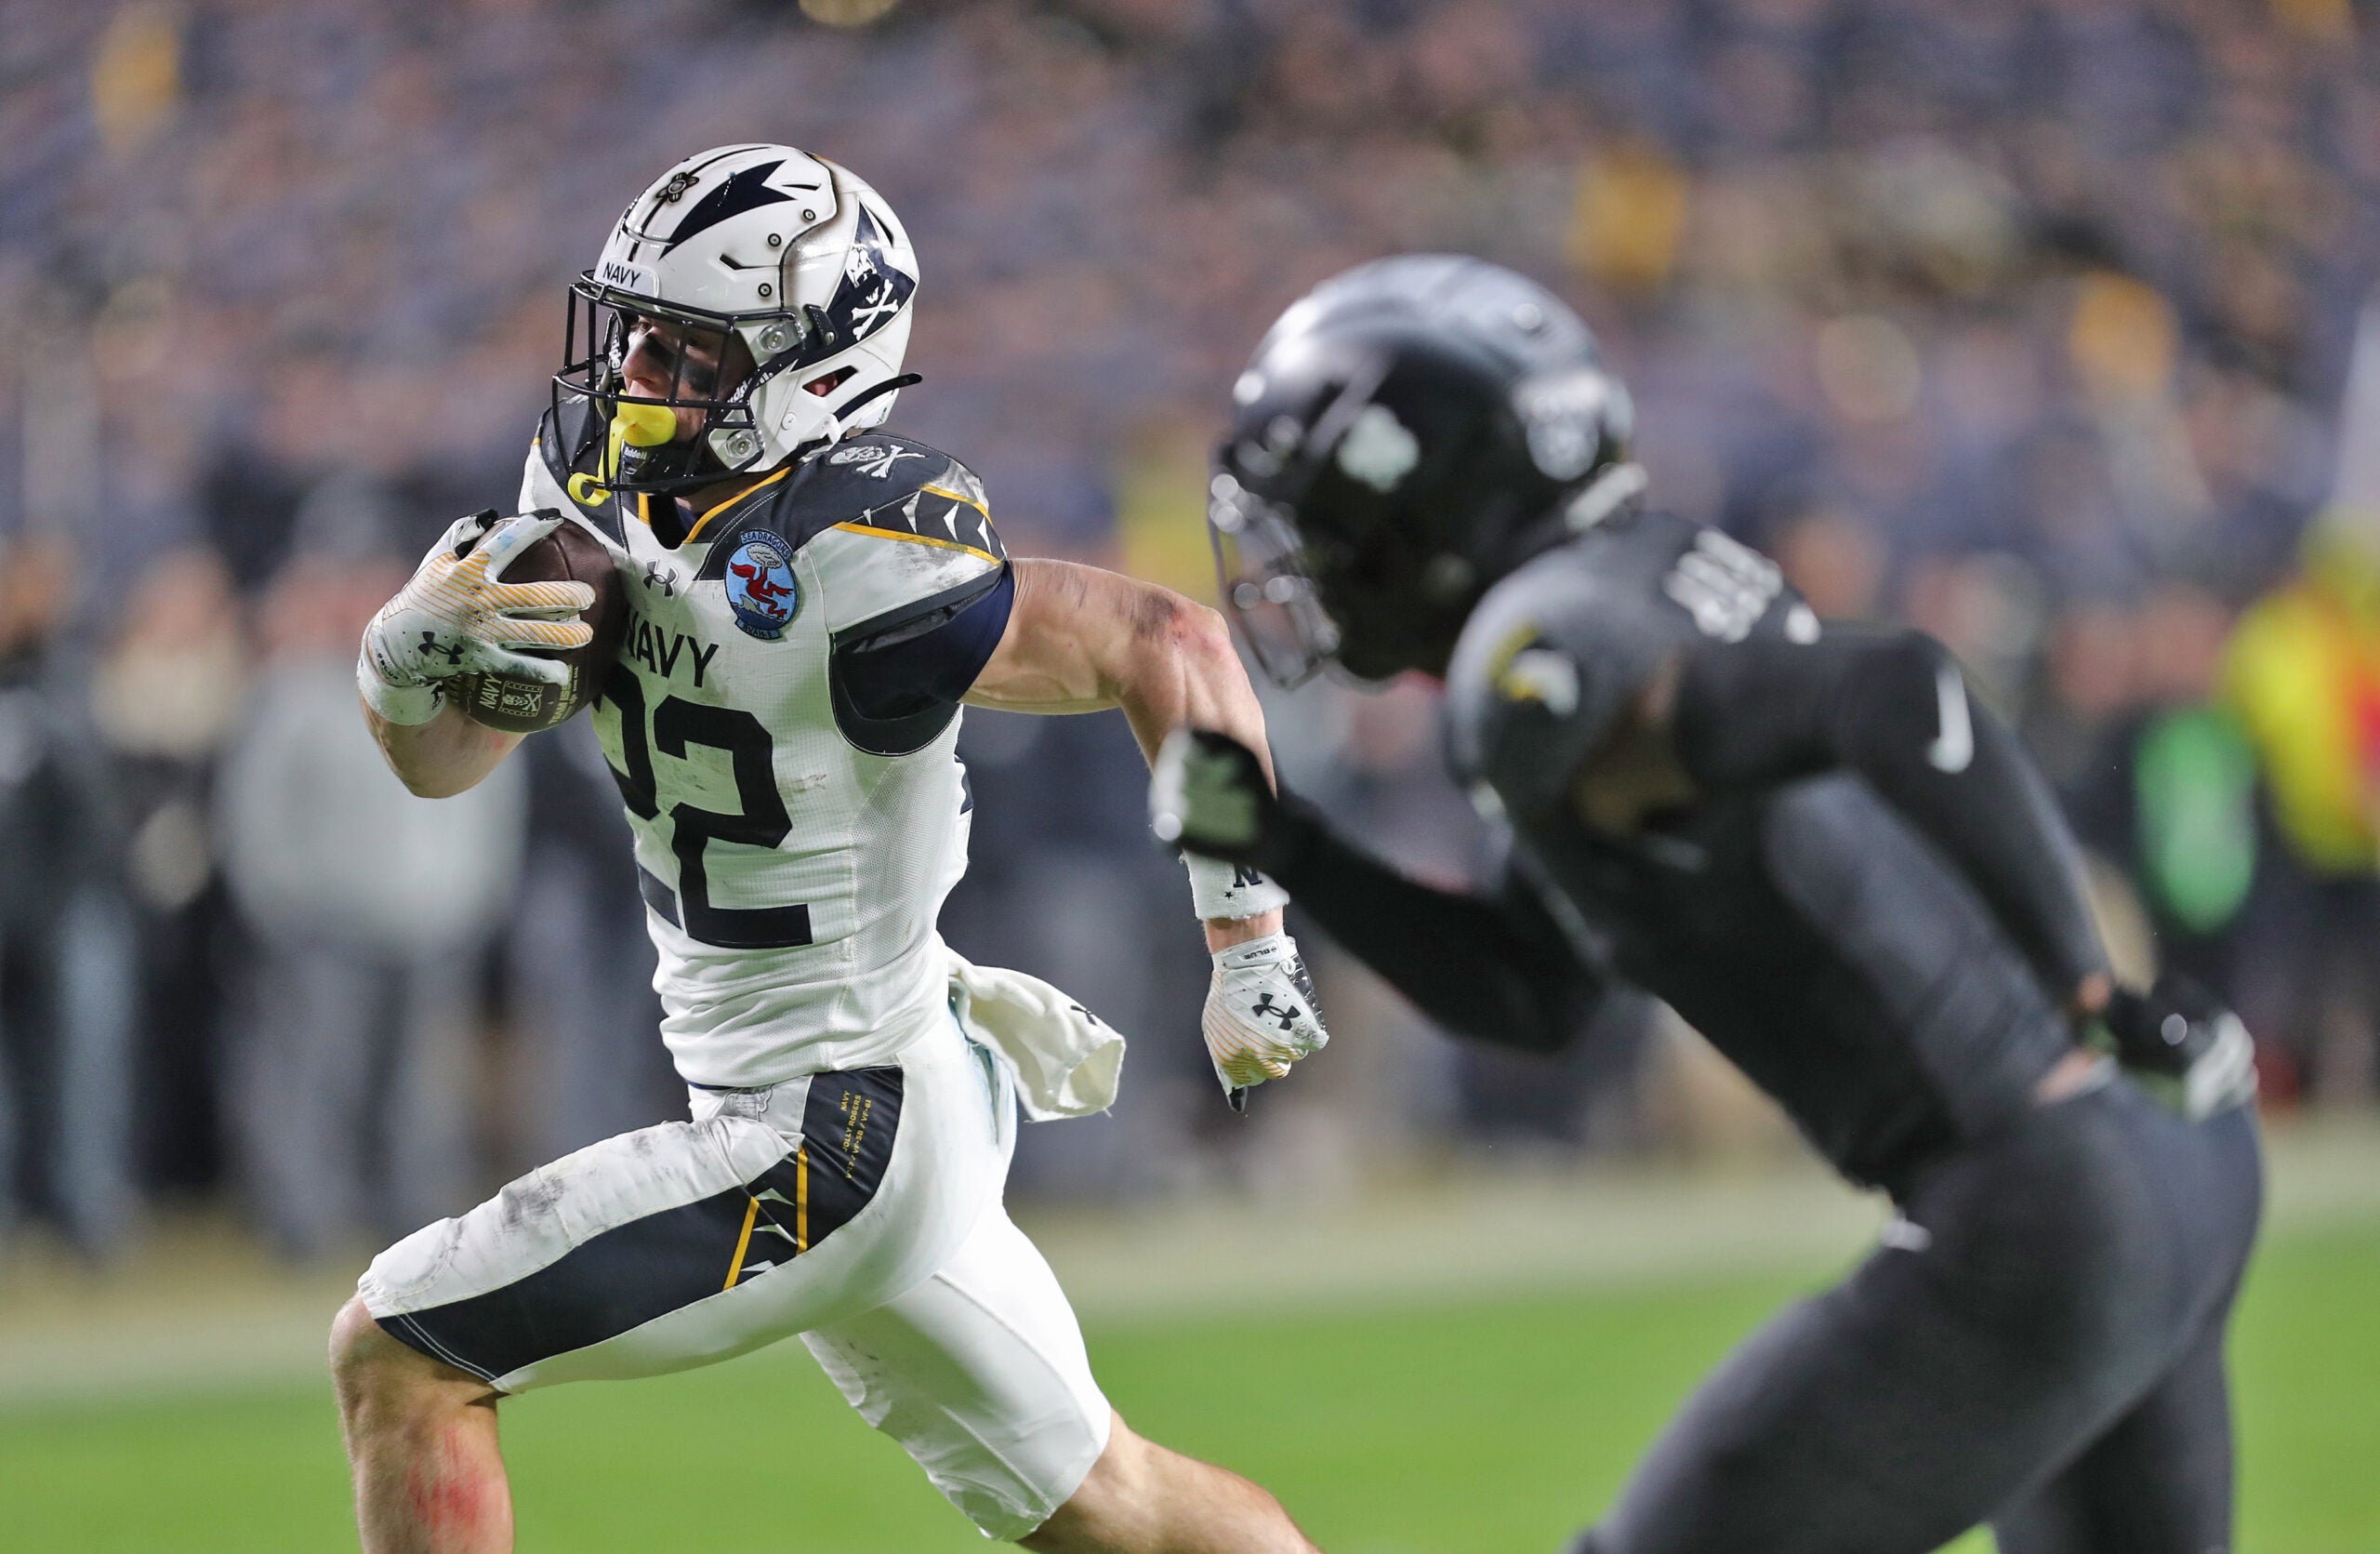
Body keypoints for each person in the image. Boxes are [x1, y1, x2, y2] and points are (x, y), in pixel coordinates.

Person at [1152, 255, 2264, 1554]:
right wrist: (1295, 846)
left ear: (1424, 505)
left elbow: (1904, 691)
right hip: (2171, 1161)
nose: (1304, 561)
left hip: (2043, 1189)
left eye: (1323, 518)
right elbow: (1531, 992)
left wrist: (2088, 982)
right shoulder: (1631, 584)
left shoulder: (1542, 649)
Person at [329, 145, 1329, 1554]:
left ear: (810, 370)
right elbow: (439, 768)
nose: (637, 374)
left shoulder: (861, 545)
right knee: (1129, 1512)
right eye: (635, 333)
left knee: (401, 1350)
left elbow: (1170, 642)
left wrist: (1248, 932)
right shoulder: (594, 489)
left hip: (836, 1123)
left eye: (688, 350)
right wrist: (399, 662)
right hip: (839, 1092)